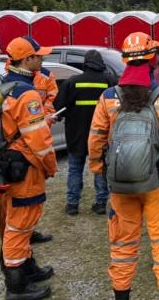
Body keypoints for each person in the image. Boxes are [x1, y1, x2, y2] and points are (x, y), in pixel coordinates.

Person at [87, 32, 159, 300]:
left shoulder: (108, 98)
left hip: (121, 184)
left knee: (122, 244)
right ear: (152, 60)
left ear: (124, 60)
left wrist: (101, 169)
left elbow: (96, 139)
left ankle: (121, 295)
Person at [0, 36, 58, 300]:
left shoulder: (3, 86)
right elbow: (40, 141)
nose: (42, 59)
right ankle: (16, 287)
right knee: (20, 225)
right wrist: (50, 166)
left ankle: (28, 268)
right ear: (27, 59)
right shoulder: (27, 94)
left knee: (21, 221)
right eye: (38, 55)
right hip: (25, 166)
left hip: (9, 163)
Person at [53, 50, 118, 216]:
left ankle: (73, 204)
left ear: (85, 63)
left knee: (75, 168)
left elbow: (59, 108)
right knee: (99, 168)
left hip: (76, 134)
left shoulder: (72, 82)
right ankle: (101, 203)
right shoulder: (109, 81)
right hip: (101, 134)